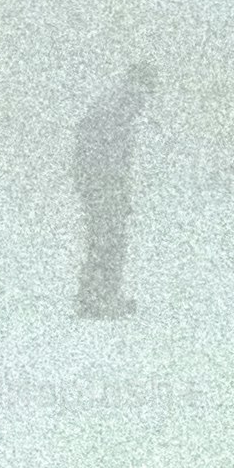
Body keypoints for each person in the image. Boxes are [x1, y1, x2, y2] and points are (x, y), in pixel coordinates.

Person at [71, 63, 156, 317]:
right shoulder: (121, 106)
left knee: (100, 240)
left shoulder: (109, 104)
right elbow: (114, 156)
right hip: (105, 186)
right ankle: (102, 298)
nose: (144, 105)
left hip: (98, 184)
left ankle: (93, 297)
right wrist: (116, 189)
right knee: (109, 242)